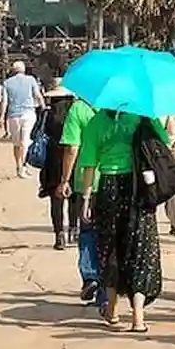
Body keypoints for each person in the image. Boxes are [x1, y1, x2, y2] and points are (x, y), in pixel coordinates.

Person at [79, 109, 171, 333]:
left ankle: (111, 309)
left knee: (110, 247)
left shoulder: (97, 121)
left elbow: (89, 164)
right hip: (138, 187)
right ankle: (138, 317)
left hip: (108, 188)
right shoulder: (144, 116)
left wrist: (86, 198)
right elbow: (164, 141)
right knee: (141, 248)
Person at [55, 91, 102, 304]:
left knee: (87, 231)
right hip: (118, 178)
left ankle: (90, 274)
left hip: (86, 181)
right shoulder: (120, 109)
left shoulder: (78, 109)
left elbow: (72, 147)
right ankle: (108, 290)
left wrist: (64, 179)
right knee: (109, 233)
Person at [38, 79, 77, 250]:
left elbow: (38, 134)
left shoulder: (47, 114)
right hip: (73, 157)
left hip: (53, 159)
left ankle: (59, 233)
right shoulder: (73, 114)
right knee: (74, 197)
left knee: (56, 198)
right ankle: (74, 230)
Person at [3, 61, 46, 179]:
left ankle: (19, 166)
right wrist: (43, 107)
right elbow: (37, 94)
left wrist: (2, 117)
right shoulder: (31, 79)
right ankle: (23, 166)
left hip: (13, 115)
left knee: (17, 144)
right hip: (28, 113)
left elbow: (5, 102)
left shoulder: (7, 83)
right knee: (24, 141)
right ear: (24, 69)